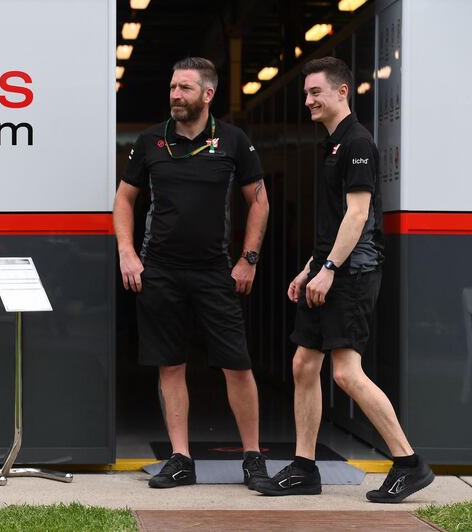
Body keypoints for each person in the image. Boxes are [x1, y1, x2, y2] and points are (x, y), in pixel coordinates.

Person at [254, 57, 434, 502]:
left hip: (351, 275)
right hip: (330, 270)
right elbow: (336, 219)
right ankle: (304, 468)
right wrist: (310, 268)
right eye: (307, 93)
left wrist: (329, 270)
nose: (309, 100)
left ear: (341, 92)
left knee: (347, 374)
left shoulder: (356, 143)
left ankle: (409, 463)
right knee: (304, 364)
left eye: (316, 92)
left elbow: (357, 216)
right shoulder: (333, 144)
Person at [113, 57, 270, 489]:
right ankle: (180, 458)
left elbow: (259, 201)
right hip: (159, 271)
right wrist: (127, 252)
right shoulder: (149, 142)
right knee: (170, 365)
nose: (175, 95)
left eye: (184, 88)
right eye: (172, 87)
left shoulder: (233, 140)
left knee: (237, 365)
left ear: (208, 94)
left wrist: (248, 258)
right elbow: (124, 200)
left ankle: (253, 458)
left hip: (215, 271)